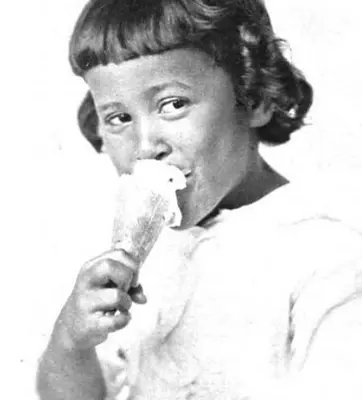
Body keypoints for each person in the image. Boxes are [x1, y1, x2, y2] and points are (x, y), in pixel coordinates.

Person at [36, 0, 362, 399]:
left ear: (254, 97)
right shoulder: (144, 256)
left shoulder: (326, 256)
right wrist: (72, 343)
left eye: (173, 104)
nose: (145, 147)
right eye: (119, 118)